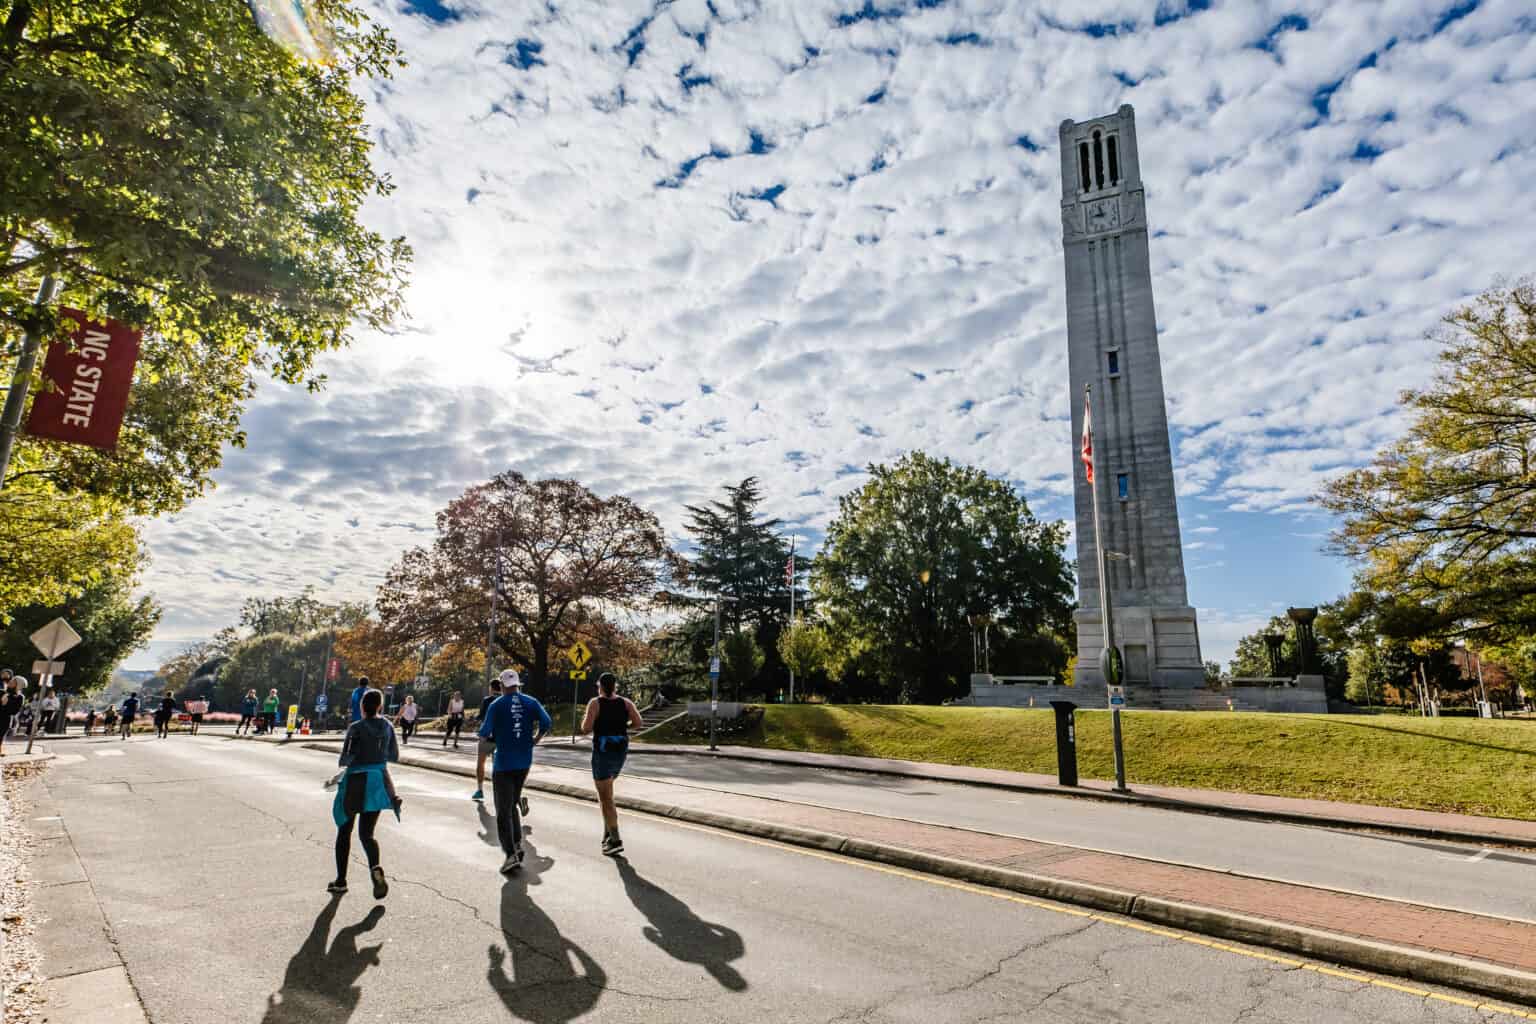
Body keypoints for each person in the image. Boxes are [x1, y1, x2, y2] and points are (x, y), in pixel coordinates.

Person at [476, 670, 552, 873]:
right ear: (518, 685)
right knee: (512, 804)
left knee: (503, 810)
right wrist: (536, 739)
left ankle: (511, 854)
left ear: (501, 685)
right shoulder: (531, 702)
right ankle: (518, 845)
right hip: (524, 761)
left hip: (503, 763)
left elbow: (484, 732)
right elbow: (547, 723)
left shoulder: (496, 704)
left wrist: (485, 741)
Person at [329, 688, 400, 898]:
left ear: (362, 706)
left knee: (345, 831)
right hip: (378, 781)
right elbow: (394, 755)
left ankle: (341, 881)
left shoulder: (355, 728)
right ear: (380, 706)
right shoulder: (388, 726)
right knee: (367, 835)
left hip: (355, 782)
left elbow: (345, 759)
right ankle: (375, 868)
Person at [580, 672, 644, 856]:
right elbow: (639, 722)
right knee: (606, 794)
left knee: (606, 798)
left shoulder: (595, 702)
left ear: (599, 685)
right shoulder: (626, 703)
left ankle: (615, 839)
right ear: (615, 686)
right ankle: (607, 834)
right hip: (620, 752)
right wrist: (623, 728)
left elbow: (586, 728)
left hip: (603, 752)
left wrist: (592, 723)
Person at [470, 674, 503, 802]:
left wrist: (474, 720)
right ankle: (499, 791)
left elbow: (482, 716)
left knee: (481, 763)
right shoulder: (506, 699)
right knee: (499, 766)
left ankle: (479, 790)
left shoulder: (487, 700)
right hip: (501, 738)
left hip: (487, 738)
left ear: (491, 688)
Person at [0, 675, 23, 755]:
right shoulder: (2, 692)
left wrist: (5, 704)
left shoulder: (19, 697)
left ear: (18, 685)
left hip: (5, 719)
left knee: (1, 736)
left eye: (13, 681)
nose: (10, 681)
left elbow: (14, 711)